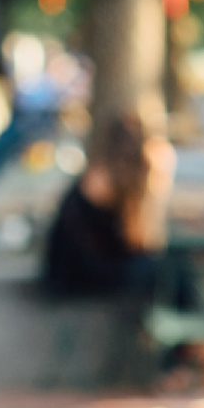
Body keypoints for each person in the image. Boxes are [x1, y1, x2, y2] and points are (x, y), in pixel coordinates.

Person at [41, 104, 176, 300]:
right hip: (83, 275)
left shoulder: (100, 172)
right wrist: (160, 178)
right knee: (168, 271)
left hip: (66, 272)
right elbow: (140, 239)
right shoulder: (117, 179)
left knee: (163, 271)